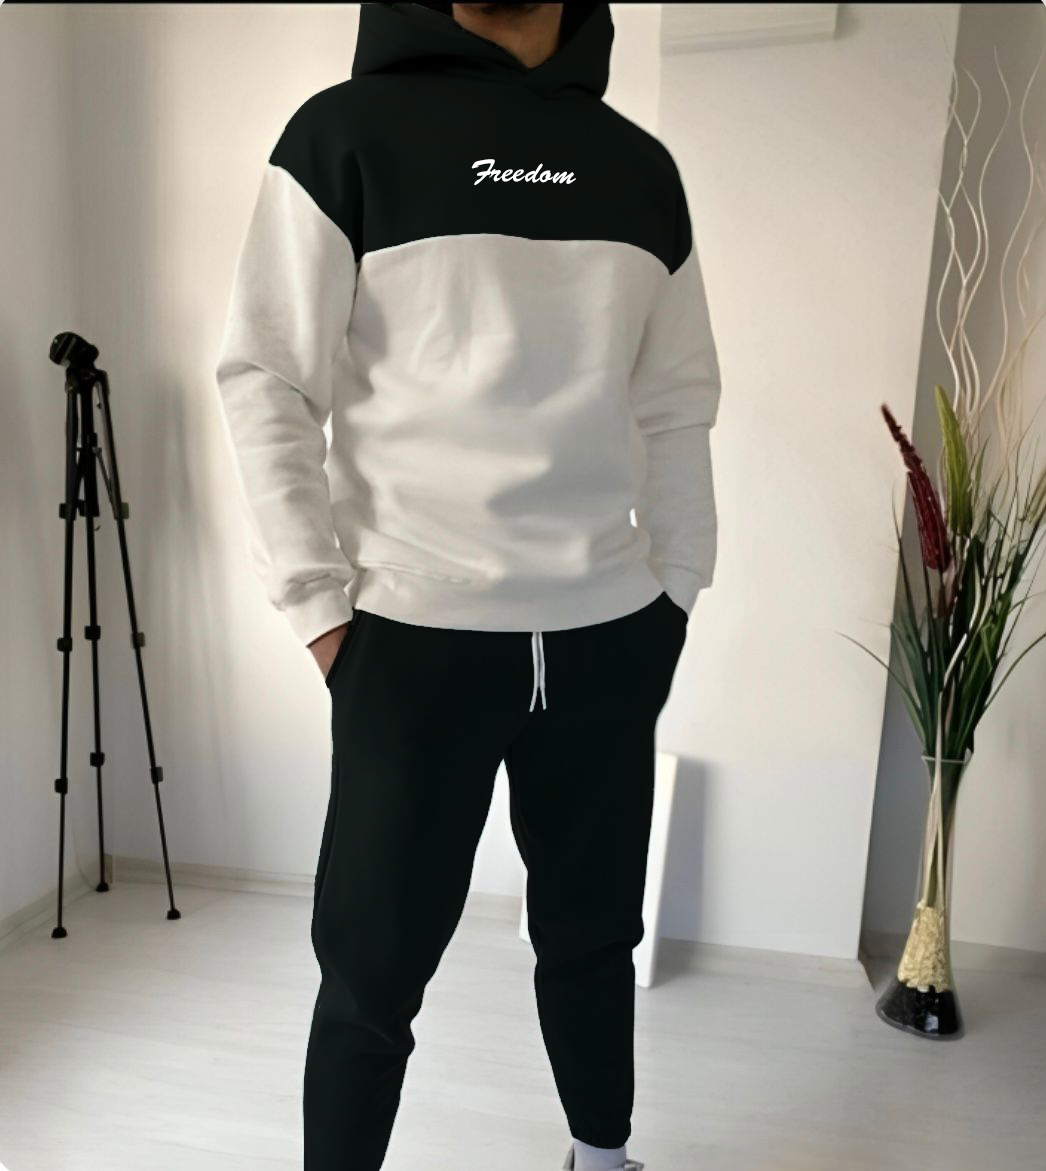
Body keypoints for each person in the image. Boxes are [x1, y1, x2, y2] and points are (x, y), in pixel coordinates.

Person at [214, 2, 721, 1169]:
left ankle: (601, 1157)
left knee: (595, 935)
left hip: (606, 633)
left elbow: (674, 402)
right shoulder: (341, 138)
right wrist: (321, 611)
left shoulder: (638, 172)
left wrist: (674, 590)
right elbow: (265, 378)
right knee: (369, 969)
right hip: (410, 637)